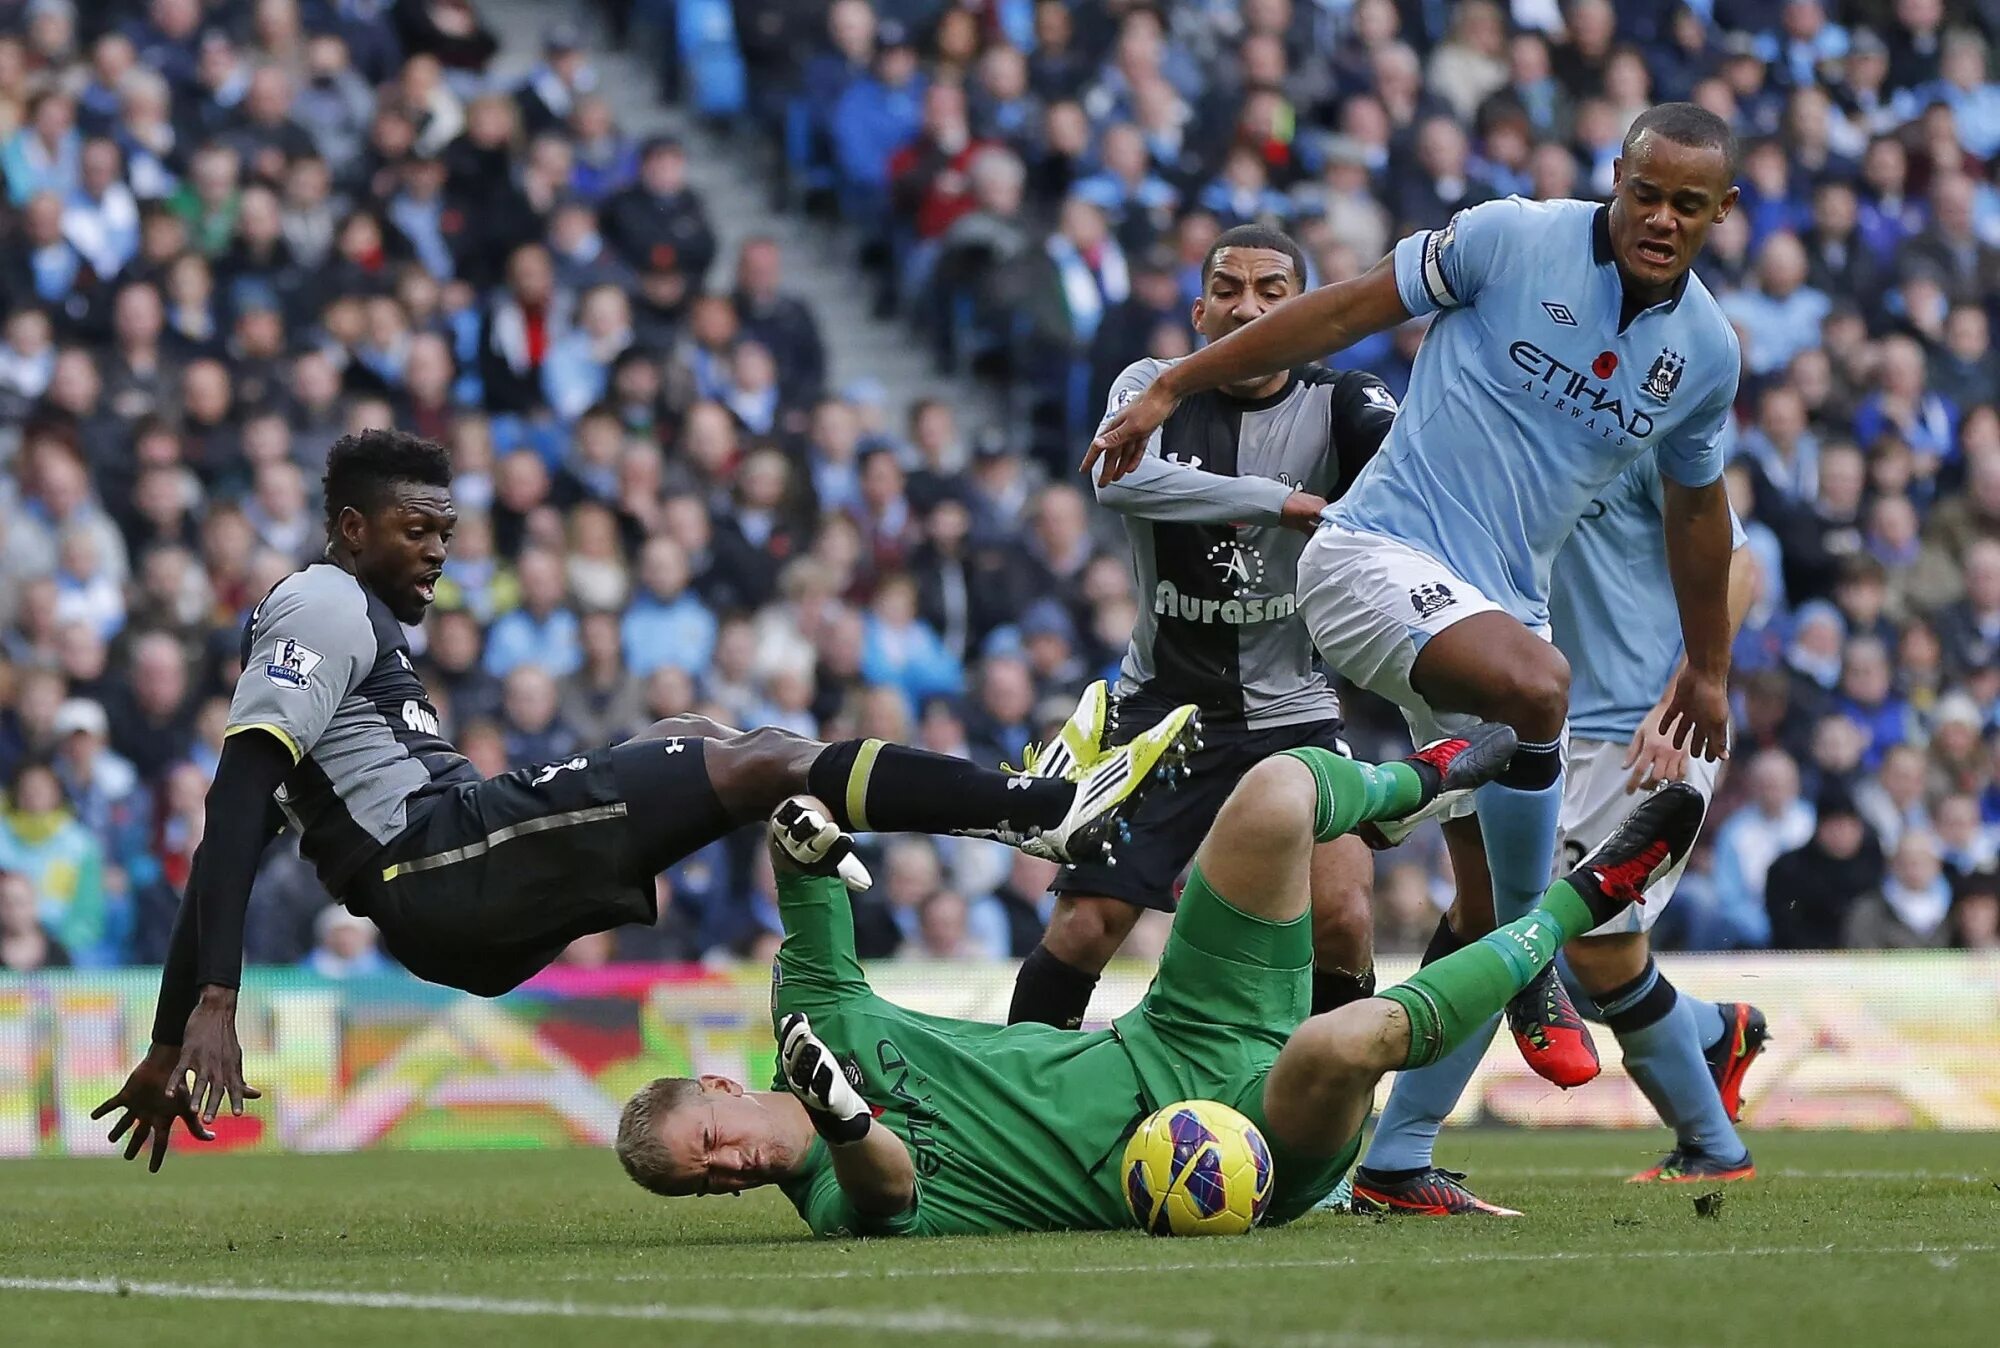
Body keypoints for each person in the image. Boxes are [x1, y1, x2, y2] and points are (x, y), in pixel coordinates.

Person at [91, 428, 1201, 1171]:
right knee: (761, 752)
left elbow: (235, 837)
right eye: (415, 530)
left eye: (445, 532)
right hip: (447, 859)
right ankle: (1028, 808)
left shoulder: (347, 625)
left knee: (696, 740)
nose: (436, 553)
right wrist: (212, 1002)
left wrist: (161, 1032)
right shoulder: (323, 603)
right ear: (348, 528)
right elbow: (230, 815)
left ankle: (825, 827)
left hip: (449, 898)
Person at [1086, 102, 1742, 1089]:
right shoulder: (1509, 237)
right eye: (1642, 193)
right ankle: (1533, 962)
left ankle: (1389, 1158)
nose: (1657, 217)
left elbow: (1697, 517)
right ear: (1614, 176)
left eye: (1683, 205)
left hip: (1495, 607)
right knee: (1538, 688)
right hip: (1370, 556)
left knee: (1470, 905)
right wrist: (1174, 384)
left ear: (1719, 212)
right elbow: (1346, 308)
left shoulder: (1703, 354)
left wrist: (1707, 667)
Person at [614, 743, 1711, 1235]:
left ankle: (1409, 784)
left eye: (707, 1140)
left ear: (716, 1084)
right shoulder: (829, 1200)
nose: (730, 1168)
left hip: (1176, 1033)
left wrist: (801, 830)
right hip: (1231, 1153)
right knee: (1342, 1043)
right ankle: (1580, 900)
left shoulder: (810, 1012)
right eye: (709, 1184)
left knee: (1277, 792)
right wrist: (843, 1115)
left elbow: (797, 860)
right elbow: (888, 1188)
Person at [1351, 447, 1767, 1216]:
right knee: (1547, 941)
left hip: (1645, 733)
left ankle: (1400, 1152)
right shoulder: (1500, 434)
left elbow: (1739, 566)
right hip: (1541, 728)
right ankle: (1711, 1042)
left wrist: (1691, 684)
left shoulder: (1638, 435)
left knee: (1550, 939)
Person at [1009, 223, 1399, 1032]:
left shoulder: (1344, 400)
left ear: (1308, 312)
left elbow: (1406, 474)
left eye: (1271, 293)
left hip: (1294, 713)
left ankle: (1334, 1141)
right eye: (1226, 290)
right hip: (1163, 714)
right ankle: (1018, 1123)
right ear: (1198, 311)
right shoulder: (1152, 384)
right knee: (1085, 928)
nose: (1246, 308)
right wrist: (1279, 502)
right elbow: (1117, 481)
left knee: (1345, 919)